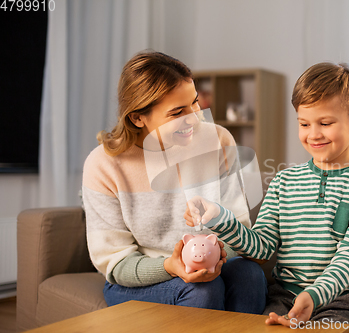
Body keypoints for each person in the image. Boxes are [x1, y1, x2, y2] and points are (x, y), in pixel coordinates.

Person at [185, 62, 349, 332]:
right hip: (284, 296)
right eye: (304, 123)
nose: (313, 134)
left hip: (342, 297)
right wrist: (219, 218)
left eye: (325, 123)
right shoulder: (283, 182)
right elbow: (262, 247)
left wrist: (315, 296)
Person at [82, 50, 267, 313]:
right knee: (202, 289)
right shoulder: (103, 164)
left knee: (249, 275)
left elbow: (239, 228)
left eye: (195, 102)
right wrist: (171, 265)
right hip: (138, 279)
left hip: (209, 259)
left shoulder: (217, 140)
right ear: (137, 117)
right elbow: (117, 264)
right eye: (178, 112)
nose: (195, 117)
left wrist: (214, 256)